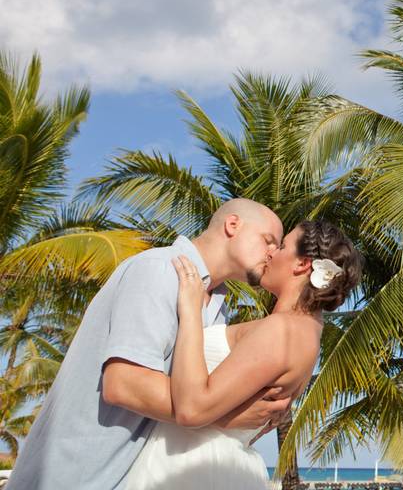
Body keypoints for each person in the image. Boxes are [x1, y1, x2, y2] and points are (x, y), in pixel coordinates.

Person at [7, 199, 290, 490]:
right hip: (77, 476)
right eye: (269, 241)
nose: (274, 253)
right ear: (233, 225)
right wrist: (225, 414)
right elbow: (125, 383)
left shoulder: (217, 308)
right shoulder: (161, 270)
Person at [122, 217, 362, 489]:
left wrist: (190, 309)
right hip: (210, 466)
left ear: (302, 264)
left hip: (192, 470)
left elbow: (191, 409)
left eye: (282, 246)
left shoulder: (283, 330)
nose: (271, 253)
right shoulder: (306, 331)